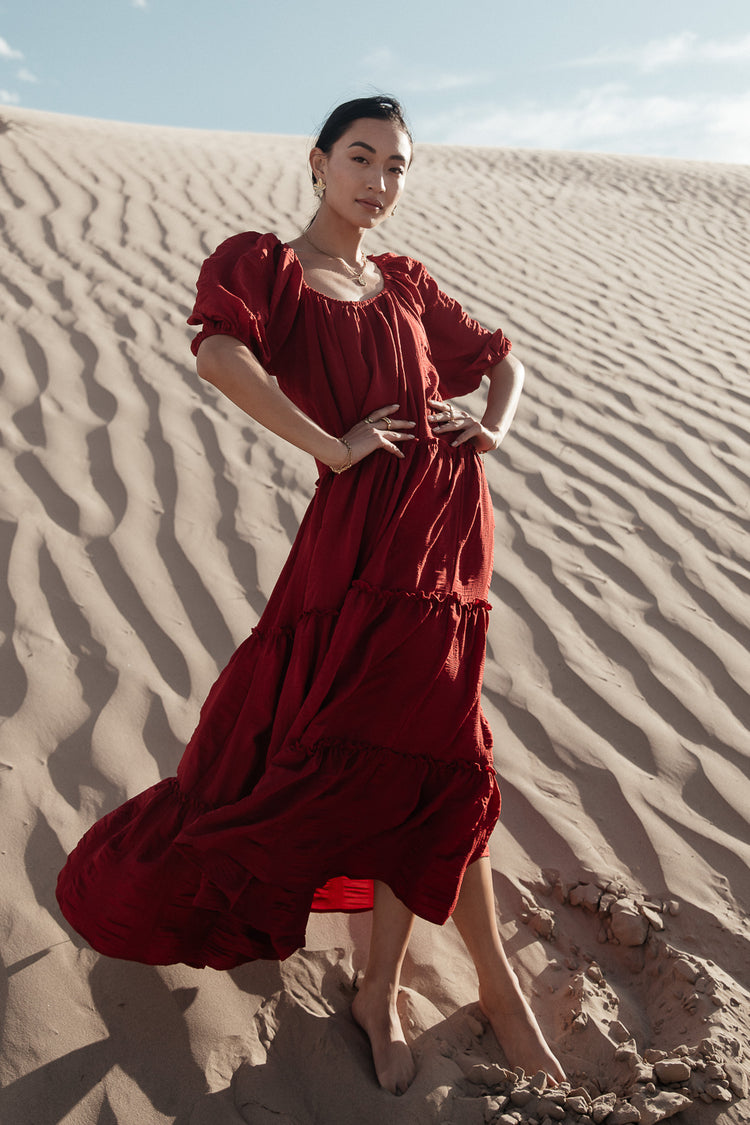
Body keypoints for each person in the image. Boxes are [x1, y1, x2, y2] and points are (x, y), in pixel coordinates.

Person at [56, 95, 564, 1095]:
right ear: (318, 162)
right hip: (359, 555)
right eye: (362, 158)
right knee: (352, 755)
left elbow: (504, 357)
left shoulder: (408, 284)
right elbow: (218, 356)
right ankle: (428, 991)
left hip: (449, 544)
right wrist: (331, 445)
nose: (381, 181)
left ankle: (405, 989)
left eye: (398, 167)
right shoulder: (270, 268)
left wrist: (492, 428)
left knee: (443, 762)